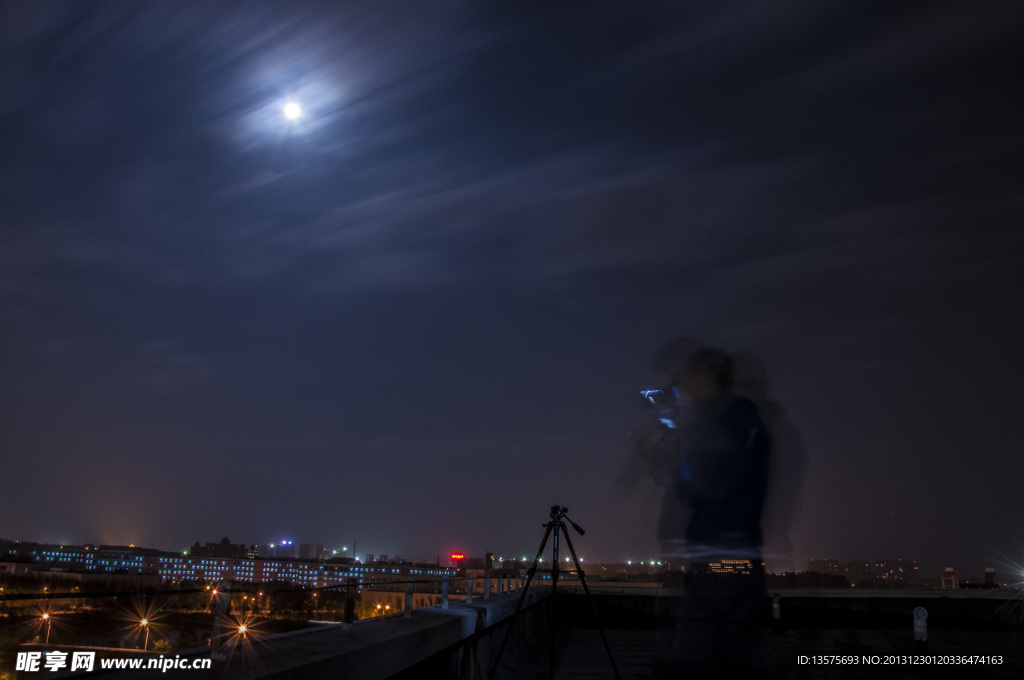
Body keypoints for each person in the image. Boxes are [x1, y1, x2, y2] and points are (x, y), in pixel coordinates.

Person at [649, 343, 771, 678]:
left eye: (688, 378)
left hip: (715, 566)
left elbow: (693, 488)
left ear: (706, 379)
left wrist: (670, 446)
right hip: (747, 564)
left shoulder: (716, 426)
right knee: (740, 664)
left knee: (691, 663)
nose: (684, 386)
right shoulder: (751, 423)